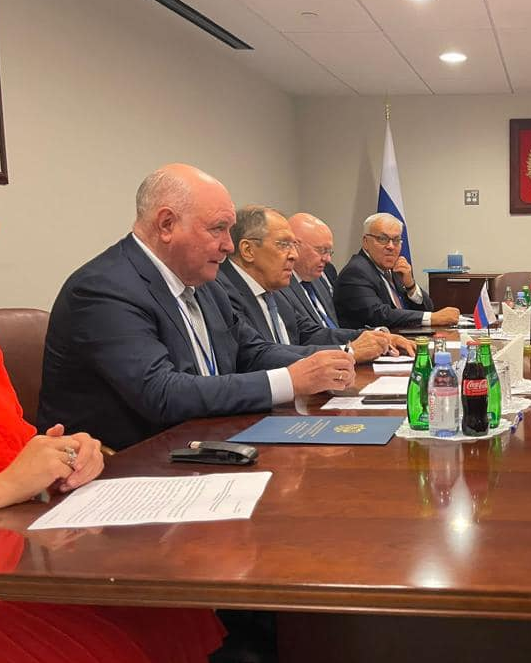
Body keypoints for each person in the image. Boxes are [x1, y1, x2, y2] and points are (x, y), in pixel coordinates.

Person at [38, 164, 356, 451]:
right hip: (132, 464)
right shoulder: (104, 288)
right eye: (218, 229)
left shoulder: (204, 283)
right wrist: (290, 380)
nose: (229, 246)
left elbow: (251, 351)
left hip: (210, 443)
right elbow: (162, 393)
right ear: (166, 224)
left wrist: (329, 361)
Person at [0, 346, 224, 663]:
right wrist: (10, 484)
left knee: (161, 605)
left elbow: (14, 446)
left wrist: (63, 459)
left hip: (19, 544)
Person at [217, 205, 411, 361]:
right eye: (284, 245)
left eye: (294, 245)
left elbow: (309, 333)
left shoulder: (273, 290)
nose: (294, 255)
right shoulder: (222, 292)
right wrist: (347, 351)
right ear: (248, 250)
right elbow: (258, 354)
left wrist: (376, 337)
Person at [334, 213, 459, 329]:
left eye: (396, 240)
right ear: (365, 242)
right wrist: (431, 318)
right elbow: (379, 315)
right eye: (382, 239)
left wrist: (410, 286)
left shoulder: (391, 268)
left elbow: (428, 308)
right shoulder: (356, 272)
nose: (391, 246)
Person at [287, 212, 342, 328]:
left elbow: (333, 328)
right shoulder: (279, 288)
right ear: (295, 246)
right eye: (322, 250)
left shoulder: (319, 280)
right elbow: (306, 335)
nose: (328, 259)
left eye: (329, 252)